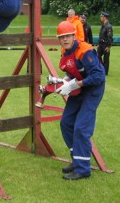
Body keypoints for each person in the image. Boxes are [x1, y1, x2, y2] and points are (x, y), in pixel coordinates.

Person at [55, 21, 105, 180]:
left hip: (93, 89)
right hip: (79, 87)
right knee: (66, 123)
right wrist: (66, 80)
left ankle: (83, 169)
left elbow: (98, 76)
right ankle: (77, 159)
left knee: (81, 128)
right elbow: (74, 70)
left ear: (74, 35)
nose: (65, 39)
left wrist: (74, 84)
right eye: (62, 37)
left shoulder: (85, 50)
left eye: (68, 36)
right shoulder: (65, 51)